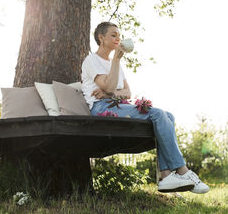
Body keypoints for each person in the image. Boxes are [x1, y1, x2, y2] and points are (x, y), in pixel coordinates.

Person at [81, 21, 209, 194]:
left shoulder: (115, 64)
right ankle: (182, 171)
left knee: (168, 116)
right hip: (101, 108)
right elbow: (110, 87)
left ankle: (165, 176)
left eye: (119, 35)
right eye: (113, 35)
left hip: (117, 104)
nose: (118, 38)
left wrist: (111, 93)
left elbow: (127, 92)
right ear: (101, 38)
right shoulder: (92, 60)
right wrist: (115, 68)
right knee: (157, 114)